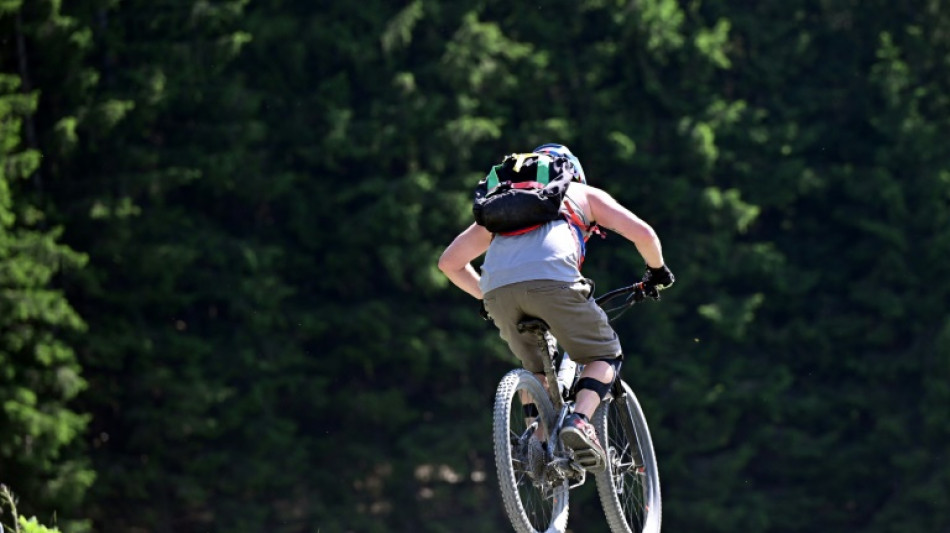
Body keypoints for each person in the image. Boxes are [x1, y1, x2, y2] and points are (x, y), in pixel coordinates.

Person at [438, 143, 674, 472]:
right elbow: (644, 234)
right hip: (554, 282)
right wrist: (657, 272)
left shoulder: (503, 204)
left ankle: (536, 438)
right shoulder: (582, 193)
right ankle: (578, 421)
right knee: (604, 355)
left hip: (498, 291)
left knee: (538, 369)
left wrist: (486, 296)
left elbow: (449, 263)